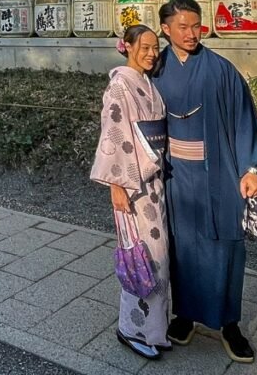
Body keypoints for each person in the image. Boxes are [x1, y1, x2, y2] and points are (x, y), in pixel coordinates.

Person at [152, 0, 257, 364]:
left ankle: (229, 324)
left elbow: (242, 120)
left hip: (218, 171)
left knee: (226, 248)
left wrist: (250, 170)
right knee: (181, 246)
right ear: (166, 29)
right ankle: (184, 316)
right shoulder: (154, 69)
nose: (191, 33)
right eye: (183, 26)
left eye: (196, 25)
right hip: (174, 175)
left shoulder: (222, 70)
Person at [90, 25, 170, 361]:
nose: (151, 54)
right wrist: (116, 185)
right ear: (127, 47)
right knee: (141, 258)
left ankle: (156, 328)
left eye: (155, 48)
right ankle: (132, 328)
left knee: (159, 257)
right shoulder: (120, 86)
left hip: (154, 182)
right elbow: (114, 135)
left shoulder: (148, 84)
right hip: (132, 185)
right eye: (145, 47)